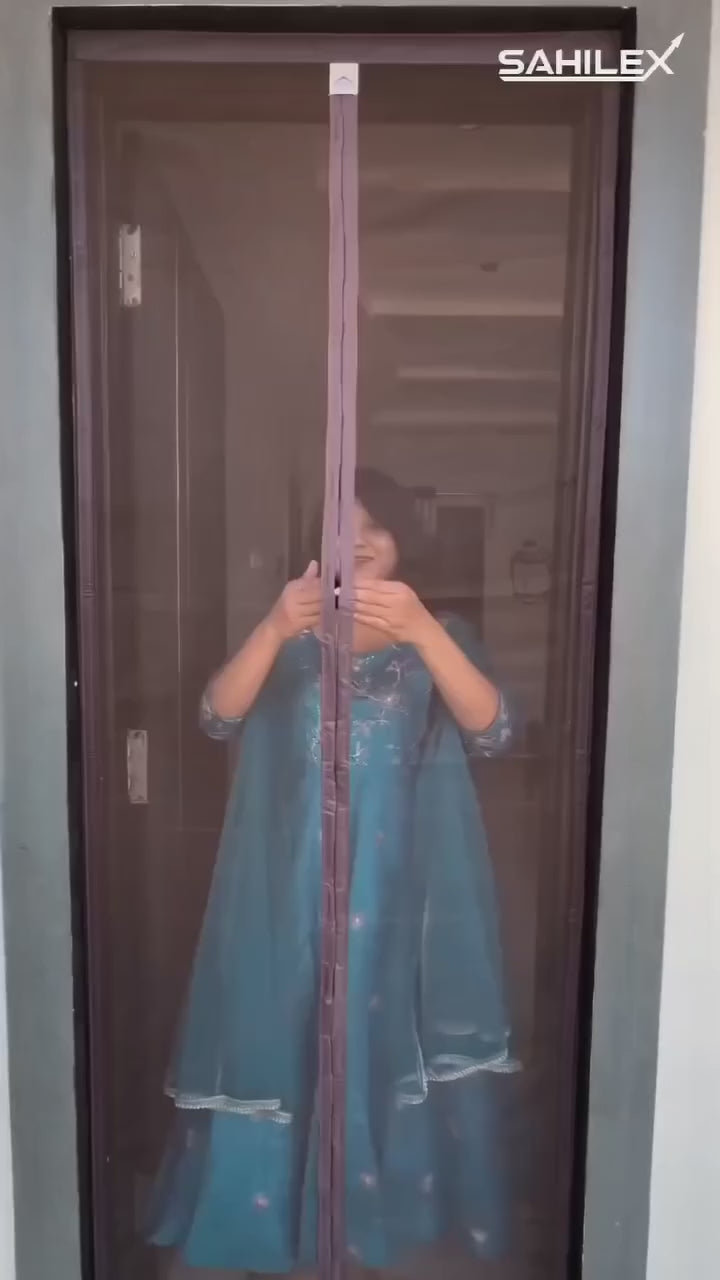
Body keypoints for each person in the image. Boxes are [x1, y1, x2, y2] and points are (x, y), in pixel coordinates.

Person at [147, 469, 517, 1275]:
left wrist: (422, 630)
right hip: (290, 886)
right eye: (340, 527)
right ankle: (269, 1221)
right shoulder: (290, 637)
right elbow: (216, 717)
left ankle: (375, 1219)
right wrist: (276, 625)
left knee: (378, 1032)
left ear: (402, 539)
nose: (360, 540)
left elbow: (494, 731)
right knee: (286, 1025)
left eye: (375, 524)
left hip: (400, 891)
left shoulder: (441, 631)